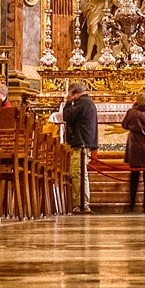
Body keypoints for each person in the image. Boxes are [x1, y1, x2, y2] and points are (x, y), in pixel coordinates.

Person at [61, 82, 99, 213]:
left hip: (81, 143)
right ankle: (82, 203)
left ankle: (81, 204)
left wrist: (67, 102)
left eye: (70, 94)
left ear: (74, 93)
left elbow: (67, 116)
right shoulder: (87, 102)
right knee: (80, 173)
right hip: (84, 141)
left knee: (78, 174)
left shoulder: (82, 103)